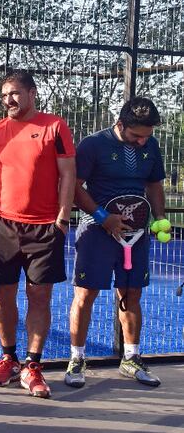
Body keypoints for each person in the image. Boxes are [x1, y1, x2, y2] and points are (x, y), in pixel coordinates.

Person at [0, 70, 76, 399]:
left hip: (45, 227)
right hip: (1, 225)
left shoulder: (55, 127)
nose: (9, 100)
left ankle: (33, 364)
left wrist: (61, 219)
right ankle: (8, 358)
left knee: (40, 296)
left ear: (32, 93)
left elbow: (69, 174)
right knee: (3, 296)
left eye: (15, 93)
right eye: (4, 96)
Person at [65, 97, 165, 388]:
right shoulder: (93, 145)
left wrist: (159, 217)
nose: (143, 142)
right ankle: (77, 359)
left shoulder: (151, 146)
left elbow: (155, 184)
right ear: (120, 124)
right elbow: (73, 186)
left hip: (136, 235)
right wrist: (102, 216)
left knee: (132, 293)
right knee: (86, 295)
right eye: (137, 136)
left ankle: (131, 358)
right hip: (97, 232)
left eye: (147, 136)